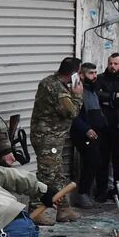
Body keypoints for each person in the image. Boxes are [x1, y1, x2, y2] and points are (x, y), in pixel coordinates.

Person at [31, 56, 82, 224]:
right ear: (74, 73)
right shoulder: (58, 90)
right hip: (48, 139)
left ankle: (63, 208)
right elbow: (71, 112)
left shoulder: (50, 81)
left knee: (58, 174)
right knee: (47, 174)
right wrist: (78, 95)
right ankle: (35, 209)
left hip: (52, 137)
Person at [71, 62, 110, 207]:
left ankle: (92, 192)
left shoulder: (93, 88)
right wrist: (86, 129)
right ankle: (82, 193)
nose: (94, 76)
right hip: (84, 133)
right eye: (90, 73)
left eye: (95, 72)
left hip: (97, 131)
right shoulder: (77, 90)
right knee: (91, 160)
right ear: (82, 75)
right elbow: (74, 115)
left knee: (97, 161)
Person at [95, 51, 119, 191]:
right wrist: (113, 96)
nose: (112, 66)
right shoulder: (100, 78)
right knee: (101, 161)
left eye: (116, 64)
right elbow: (96, 95)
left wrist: (108, 100)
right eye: (110, 63)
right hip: (103, 125)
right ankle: (101, 191)